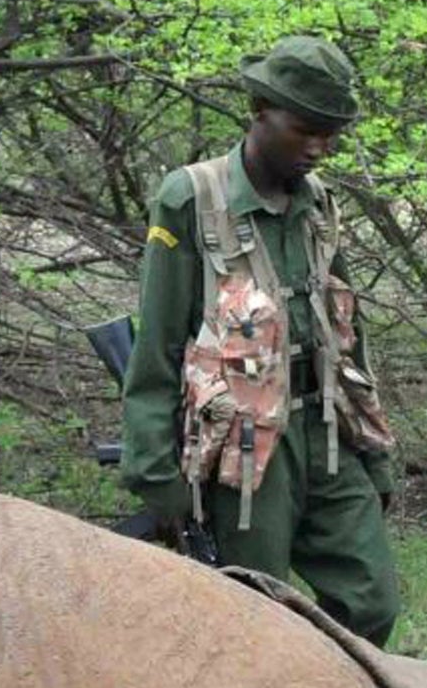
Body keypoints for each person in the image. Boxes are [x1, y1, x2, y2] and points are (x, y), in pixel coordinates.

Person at [122, 35, 400, 644]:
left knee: (372, 601)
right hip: (244, 449)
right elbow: (159, 345)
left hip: (327, 431)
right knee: (252, 618)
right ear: (260, 112)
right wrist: (158, 474)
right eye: (306, 130)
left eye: (331, 134)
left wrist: (373, 454)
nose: (320, 148)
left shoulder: (318, 202)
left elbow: (347, 332)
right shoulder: (191, 198)